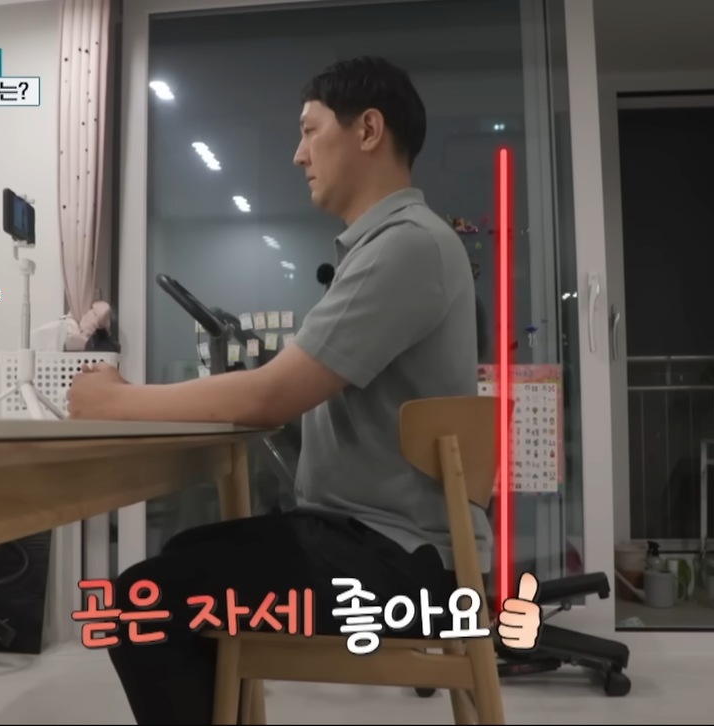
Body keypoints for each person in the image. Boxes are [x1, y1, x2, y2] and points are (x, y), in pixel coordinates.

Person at [67, 56, 490, 725]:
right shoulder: (385, 248)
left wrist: (115, 401)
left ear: (368, 130)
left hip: (399, 566)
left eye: (310, 130)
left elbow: (272, 395)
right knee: (181, 562)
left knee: (143, 603)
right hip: (374, 542)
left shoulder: (406, 247)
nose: (298, 154)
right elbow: (289, 387)